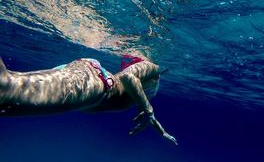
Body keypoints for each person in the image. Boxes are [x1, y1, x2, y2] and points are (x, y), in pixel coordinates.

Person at [0, 55, 177, 145]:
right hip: (96, 82)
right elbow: (128, 76)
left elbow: (134, 93)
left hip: (90, 88)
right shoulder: (154, 67)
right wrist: (148, 110)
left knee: (6, 100)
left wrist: (146, 112)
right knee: (6, 89)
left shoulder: (144, 88)